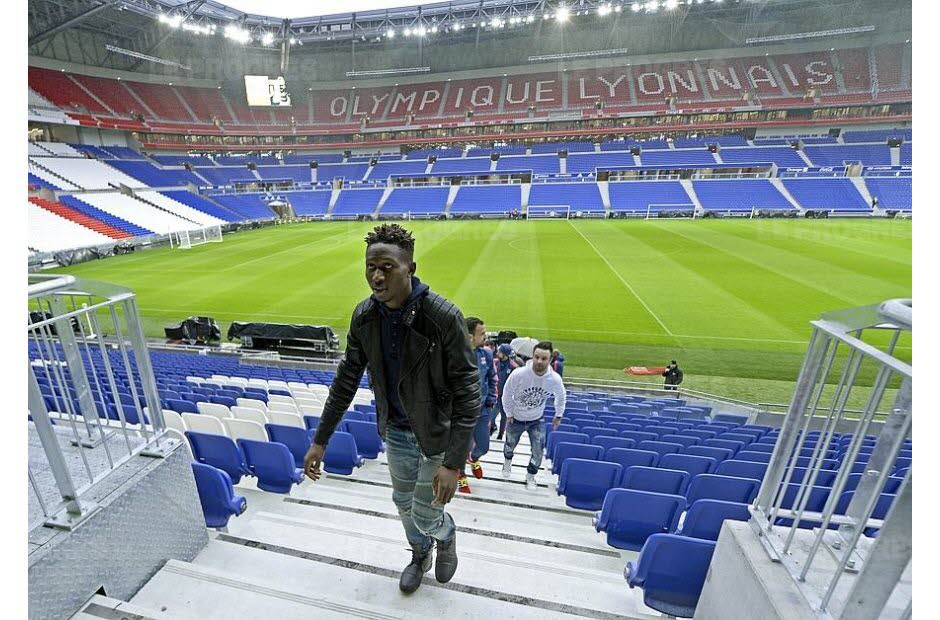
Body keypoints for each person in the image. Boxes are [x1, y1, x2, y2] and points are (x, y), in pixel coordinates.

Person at [302, 224, 481, 595]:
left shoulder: (444, 318)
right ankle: (419, 554)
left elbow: (468, 394)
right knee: (403, 503)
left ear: (410, 268)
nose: (377, 275)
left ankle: (445, 536)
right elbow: (345, 380)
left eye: (387, 267)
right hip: (396, 432)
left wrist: (453, 463)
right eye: (371, 267)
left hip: (436, 434)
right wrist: (320, 441)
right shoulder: (364, 316)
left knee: (425, 511)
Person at [500, 341, 567, 490]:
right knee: (510, 445)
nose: (539, 361)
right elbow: (506, 393)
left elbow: (561, 396)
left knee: (538, 451)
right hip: (516, 418)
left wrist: (558, 415)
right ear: (533, 356)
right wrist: (508, 413)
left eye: (544, 358)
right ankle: (507, 462)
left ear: (550, 360)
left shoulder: (554, 379)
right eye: (536, 357)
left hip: (536, 419)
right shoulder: (519, 374)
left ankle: (530, 476)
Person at [458, 317, 498, 494]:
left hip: (482, 408)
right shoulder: (455, 353)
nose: (486, 336)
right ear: (469, 336)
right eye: (482, 333)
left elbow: (491, 378)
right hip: (461, 411)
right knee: (461, 446)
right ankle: (461, 475)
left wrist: (490, 401)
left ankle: (474, 459)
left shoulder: (487, 354)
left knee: (483, 446)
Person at [493, 343, 520, 439]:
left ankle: (501, 433)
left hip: (505, 396)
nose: (497, 353)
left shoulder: (513, 367)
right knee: (492, 413)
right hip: (495, 393)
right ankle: (492, 427)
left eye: (499, 352)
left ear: (505, 354)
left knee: (504, 415)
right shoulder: (495, 362)